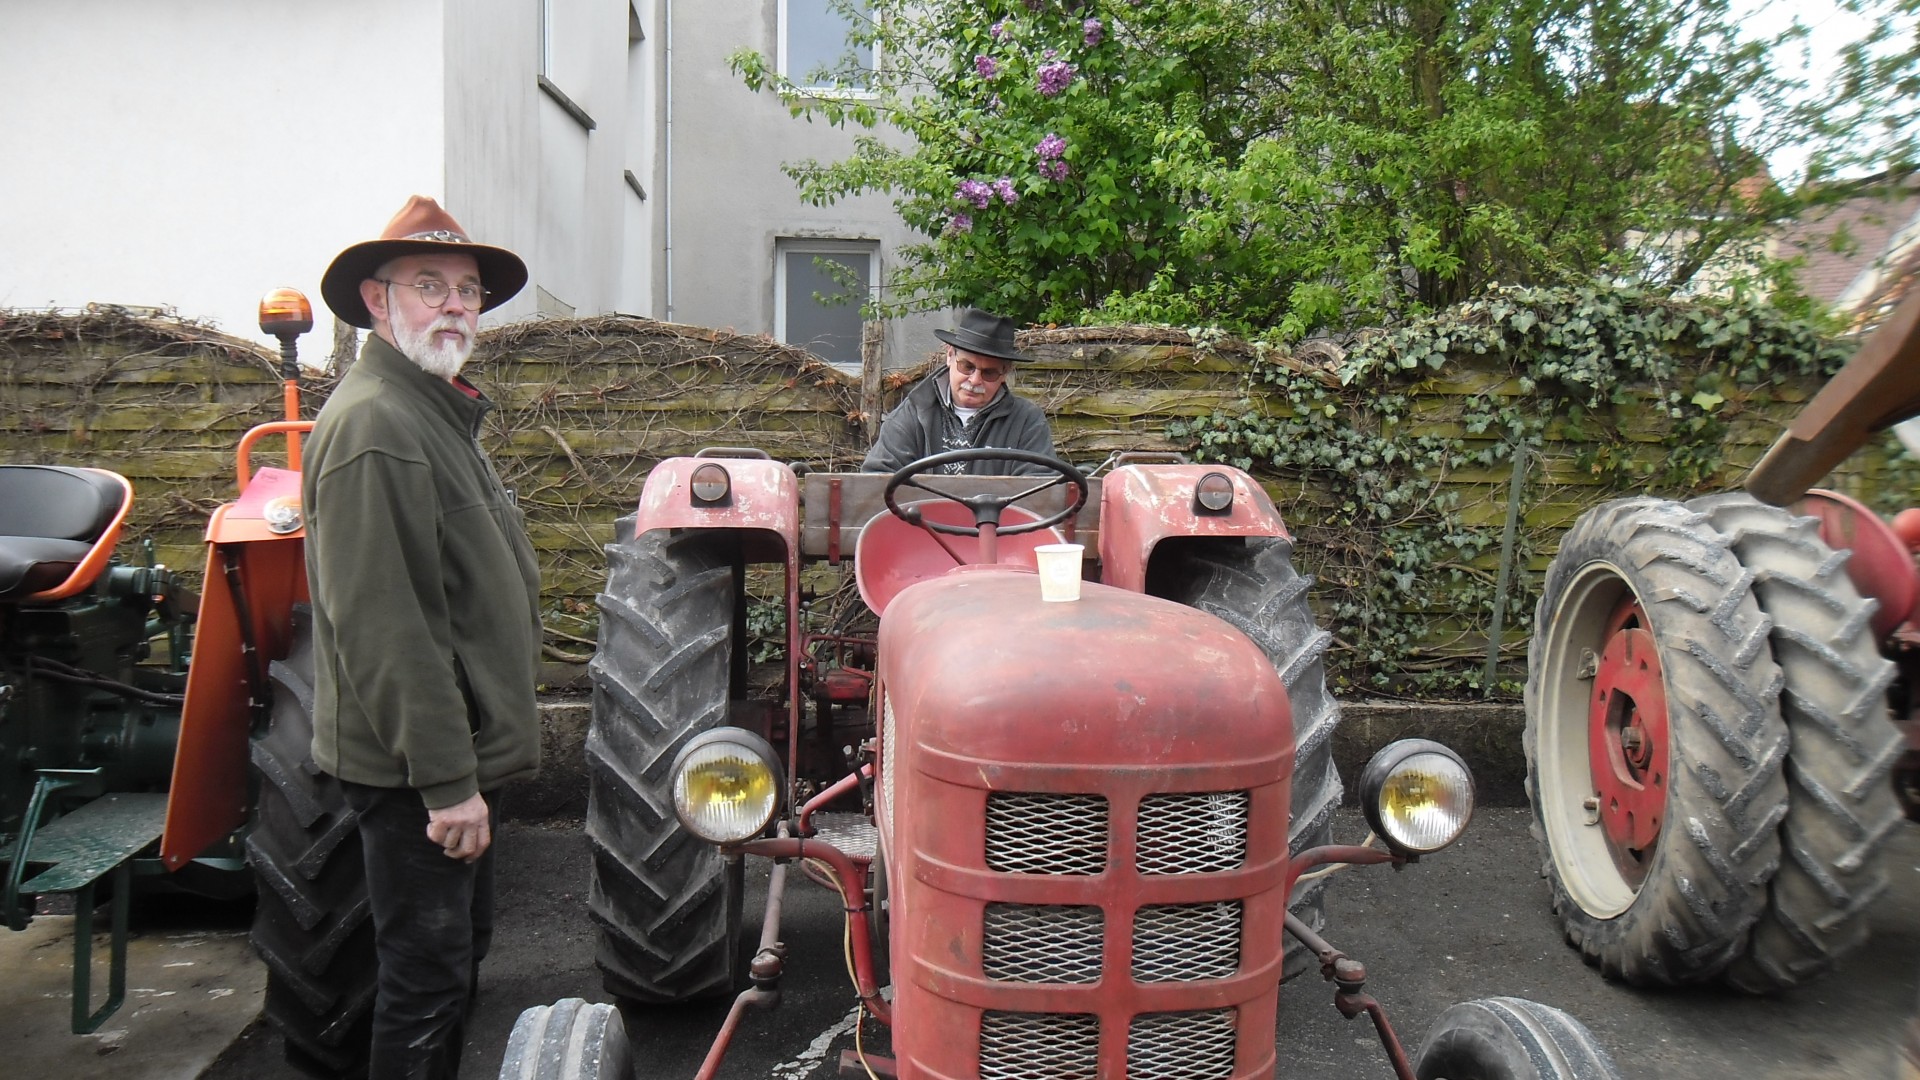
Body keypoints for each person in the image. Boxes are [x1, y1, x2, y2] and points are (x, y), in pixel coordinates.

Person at [304, 195, 543, 1079]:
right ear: (378, 300)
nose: (455, 306)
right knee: (426, 977)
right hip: (415, 777)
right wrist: (446, 786)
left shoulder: (431, 409)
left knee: (451, 960)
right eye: (429, 285)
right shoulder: (377, 426)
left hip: (445, 763)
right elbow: (385, 626)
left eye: (469, 291)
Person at [862, 307, 1056, 475]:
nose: (974, 380)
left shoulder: (1027, 422)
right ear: (949, 356)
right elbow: (878, 480)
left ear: (1005, 373)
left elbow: (1039, 491)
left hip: (998, 520)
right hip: (919, 518)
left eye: (989, 373)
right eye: (967, 366)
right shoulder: (912, 414)